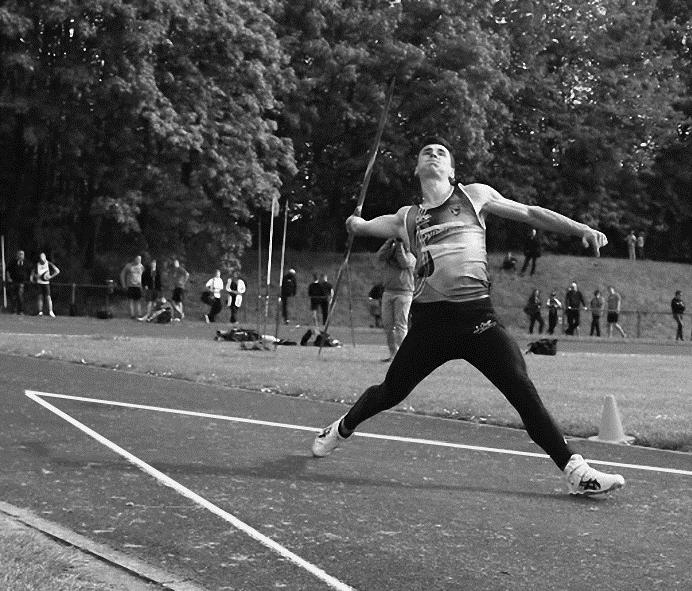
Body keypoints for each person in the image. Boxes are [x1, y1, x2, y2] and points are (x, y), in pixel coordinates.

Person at [311, 136, 624, 496]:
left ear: (452, 170)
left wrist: (580, 229)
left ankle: (576, 471)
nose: (433, 154)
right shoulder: (407, 218)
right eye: (425, 151)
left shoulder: (475, 195)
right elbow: (365, 227)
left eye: (441, 153)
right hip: (431, 326)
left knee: (523, 392)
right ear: (417, 168)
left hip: (479, 321)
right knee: (390, 391)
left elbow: (531, 212)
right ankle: (340, 429)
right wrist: (357, 224)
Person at [376, 237, 416, 361]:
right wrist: (389, 242)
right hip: (388, 292)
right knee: (388, 325)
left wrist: (399, 246)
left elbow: (404, 262)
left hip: (404, 293)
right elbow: (379, 256)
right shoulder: (389, 252)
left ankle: (402, 357)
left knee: (401, 326)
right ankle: (393, 354)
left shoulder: (412, 255)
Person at [30, 252, 60, 317]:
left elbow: (57, 271)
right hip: (39, 283)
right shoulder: (37, 264)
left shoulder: (49, 264)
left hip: (46, 283)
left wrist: (51, 276)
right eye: (41, 258)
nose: (42, 260)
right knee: (40, 297)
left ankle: (51, 311)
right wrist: (32, 278)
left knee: (48, 297)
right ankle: (40, 312)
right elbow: (32, 272)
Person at [6, 249, 31, 314]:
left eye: (22, 254)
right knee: (13, 296)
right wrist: (8, 278)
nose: (21, 255)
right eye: (19, 254)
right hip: (13, 281)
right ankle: (13, 310)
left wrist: (29, 278)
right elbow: (7, 270)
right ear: (17, 255)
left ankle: (21, 311)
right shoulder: (13, 262)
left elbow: (30, 271)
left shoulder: (26, 263)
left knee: (20, 296)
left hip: (22, 282)